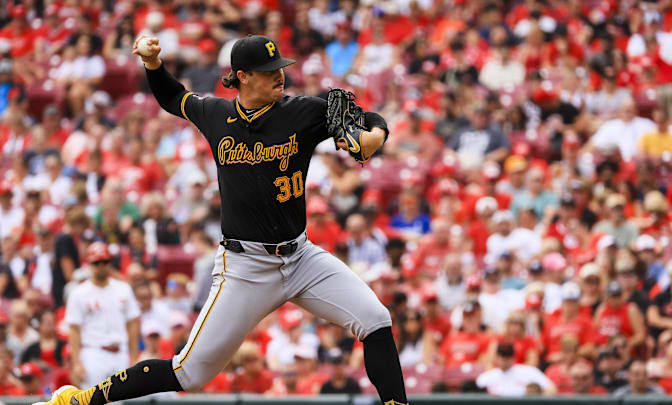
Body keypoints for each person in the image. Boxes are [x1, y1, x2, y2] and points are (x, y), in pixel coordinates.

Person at [36, 34, 407, 405]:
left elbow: (365, 115)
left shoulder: (303, 112)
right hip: (245, 266)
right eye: (268, 71)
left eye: (280, 68)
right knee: (189, 371)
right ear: (242, 76)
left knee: (375, 319)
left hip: (302, 257)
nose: (280, 76)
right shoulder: (216, 114)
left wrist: (375, 134)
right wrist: (153, 65)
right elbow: (173, 98)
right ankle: (80, 400)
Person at [64, 242, 141, 391]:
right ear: (89, 264)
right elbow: (74, 329)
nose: (101, 266)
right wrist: (77, 362)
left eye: (105, 261)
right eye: (96, 262)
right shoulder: (79, 293)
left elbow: (133, 323)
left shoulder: (123, 288)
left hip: (120, 351)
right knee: (92, 399)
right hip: (93, 353)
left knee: (118, 400)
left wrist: (133, 355)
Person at [475, 343, 556, 396]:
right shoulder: (487, 376)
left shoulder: (528, 371)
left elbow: (551, 389)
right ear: (497, 357)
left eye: (508, 356)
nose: (505, 360)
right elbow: (473, 394)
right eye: (503, 356)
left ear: (513, 357)